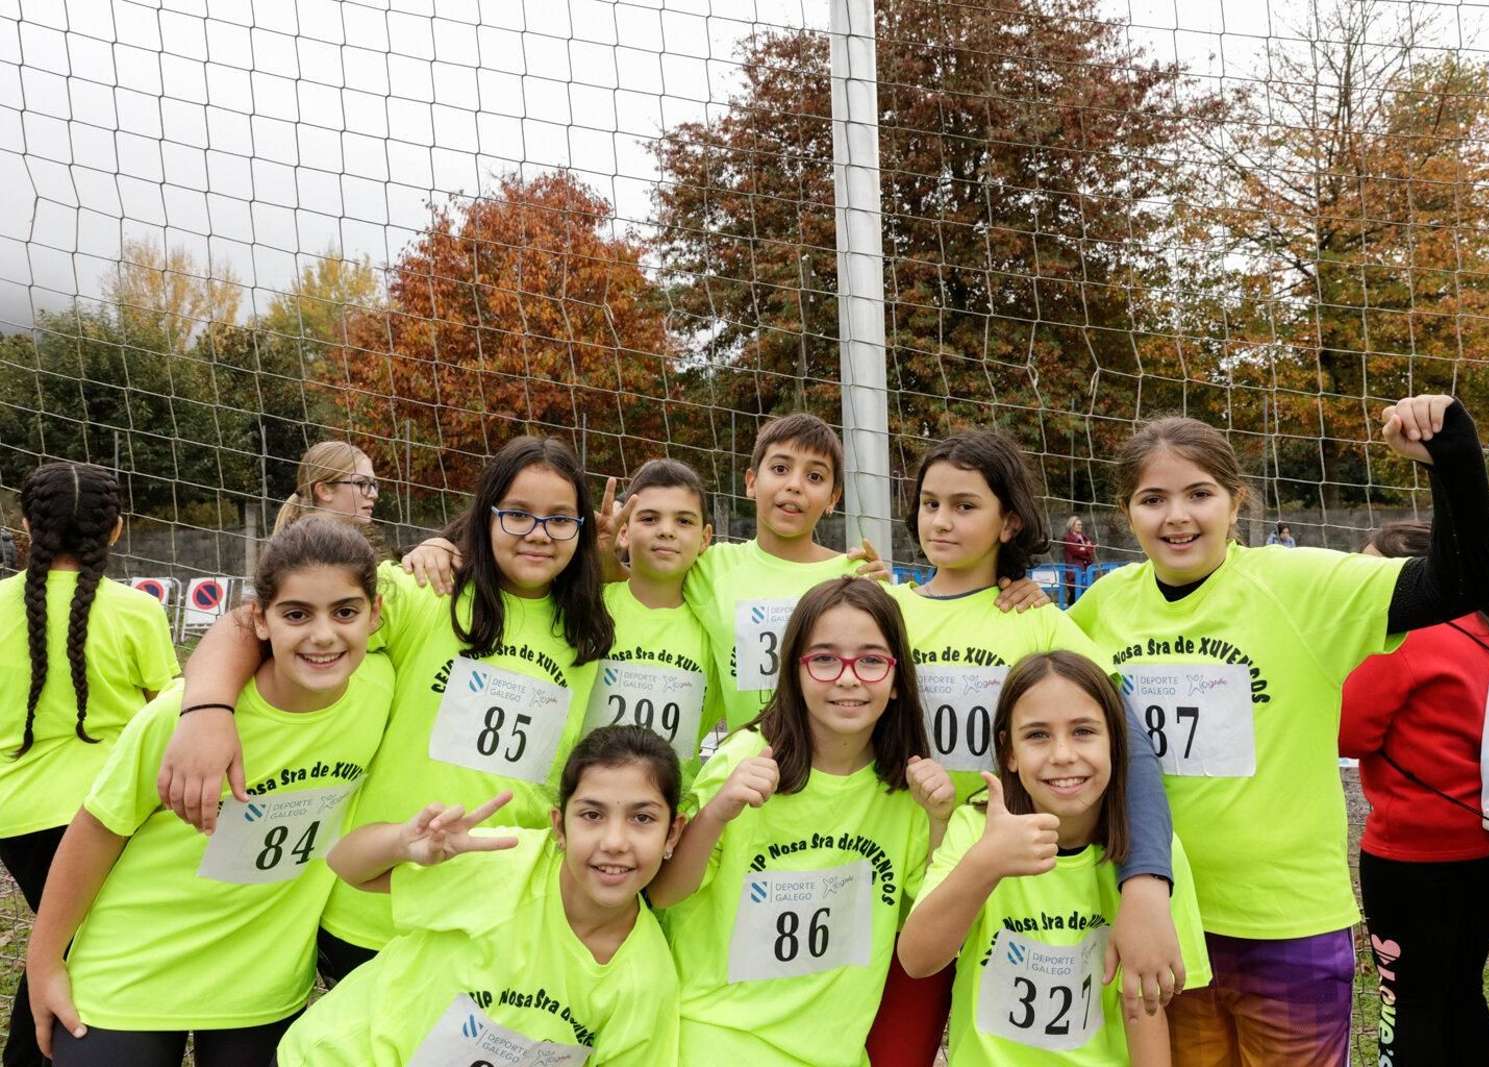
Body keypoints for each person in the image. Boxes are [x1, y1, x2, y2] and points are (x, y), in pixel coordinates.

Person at [1067, 395, 1489, 1065]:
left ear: (1236, 502)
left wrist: (1451, 456)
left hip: (1286, 926)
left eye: (1199, 493)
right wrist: (1009, 582)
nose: (1177, 515)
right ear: (1126, 512)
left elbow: (1460, 583)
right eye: (1152, 498)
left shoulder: (1299, 583)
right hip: (1161, 924)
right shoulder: (1101, 605)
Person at [156, 436, 612, 980]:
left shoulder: (592, 631)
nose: (538, 533)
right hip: (374, 908)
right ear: (485, 514)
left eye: (560, 519)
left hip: (493, 911)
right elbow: (251, 623)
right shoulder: (425, 593)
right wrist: (206, 710)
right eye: (517, 514)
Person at [398, 415, 1048, 734]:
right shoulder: (713, 564)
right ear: (751, 480)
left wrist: (1011, 583)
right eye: (780, 468)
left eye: (815, 476)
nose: (794, 485)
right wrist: (443, 543)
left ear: (835, 498)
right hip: (736, 760)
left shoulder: (861, 579)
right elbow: (629, 582)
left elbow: (936, 614)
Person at [26, 519, 392, 1067]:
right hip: (135, 973)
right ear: (260, 619)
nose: (323, 635)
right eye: (296, 614)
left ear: (376, 616)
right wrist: (45, 961)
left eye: (345, 612)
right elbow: (97, 829)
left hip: (262, 985)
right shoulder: (182, 718)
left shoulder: (381, 690)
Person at [868, 430, 1182, 1067]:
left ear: (1008, 520)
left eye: (964, 505)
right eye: (930, 504)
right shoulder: (888, 609)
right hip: (883, 865)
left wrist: (1146, 878)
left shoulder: (1035, 618)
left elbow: (1126, 739)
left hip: (989, 876)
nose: (941, 520)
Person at [648, 577, 955, 1066]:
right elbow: (663, 894)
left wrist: (940, 820)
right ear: (795, 671)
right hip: (713, 1036)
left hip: (832, 1051)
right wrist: (717, 812)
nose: (848, 678)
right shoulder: (746, 761)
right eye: (825, 659)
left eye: (872, 660)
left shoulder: (907, 788)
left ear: (898, 682)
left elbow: (929, 920)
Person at [274, 725, 684, 1066]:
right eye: (591, 815)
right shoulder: (504, 863)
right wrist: (403, 843)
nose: (614, 842)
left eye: (642, 818)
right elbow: (347, 866)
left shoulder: (646, 980)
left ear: (673, 833)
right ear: (559, 827)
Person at [898, 651, 1212, 1066]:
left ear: (1116, 742)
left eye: (1083, 731)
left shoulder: (1152, 860)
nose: (1062, 754)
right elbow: (918, 960)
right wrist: (986, 863)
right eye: (1038, 735)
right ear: (1008, 752)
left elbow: (1145, 1005)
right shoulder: (976, 831)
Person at [0, 461, 178, 1067]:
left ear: (26, 526)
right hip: (109, 815)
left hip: (16, 817)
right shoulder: (137, 611)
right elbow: (168, 714)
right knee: (76, 948)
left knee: (66, 942)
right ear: (117, 530)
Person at [1339, 520, 1489, 1065]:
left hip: (1416, 851)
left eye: (1367, 568)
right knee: (1459, 990)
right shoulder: (1487, 630)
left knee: (1407, 1003)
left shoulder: (1400, 638)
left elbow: (1348, 733)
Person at [579, 458, 719, 786]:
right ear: (624, 531)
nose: (666, 530)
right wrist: (440, 547)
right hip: (587, 806)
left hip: (670, 813)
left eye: (684, 521)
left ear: (705, 538)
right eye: (650, 518)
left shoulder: (716, 628)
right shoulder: (587, 606)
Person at [272, 441, 380, 534]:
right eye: (361, 483)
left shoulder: (298, 543)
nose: (374, 494)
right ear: (323, 491)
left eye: (373, 484)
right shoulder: (310, 551)